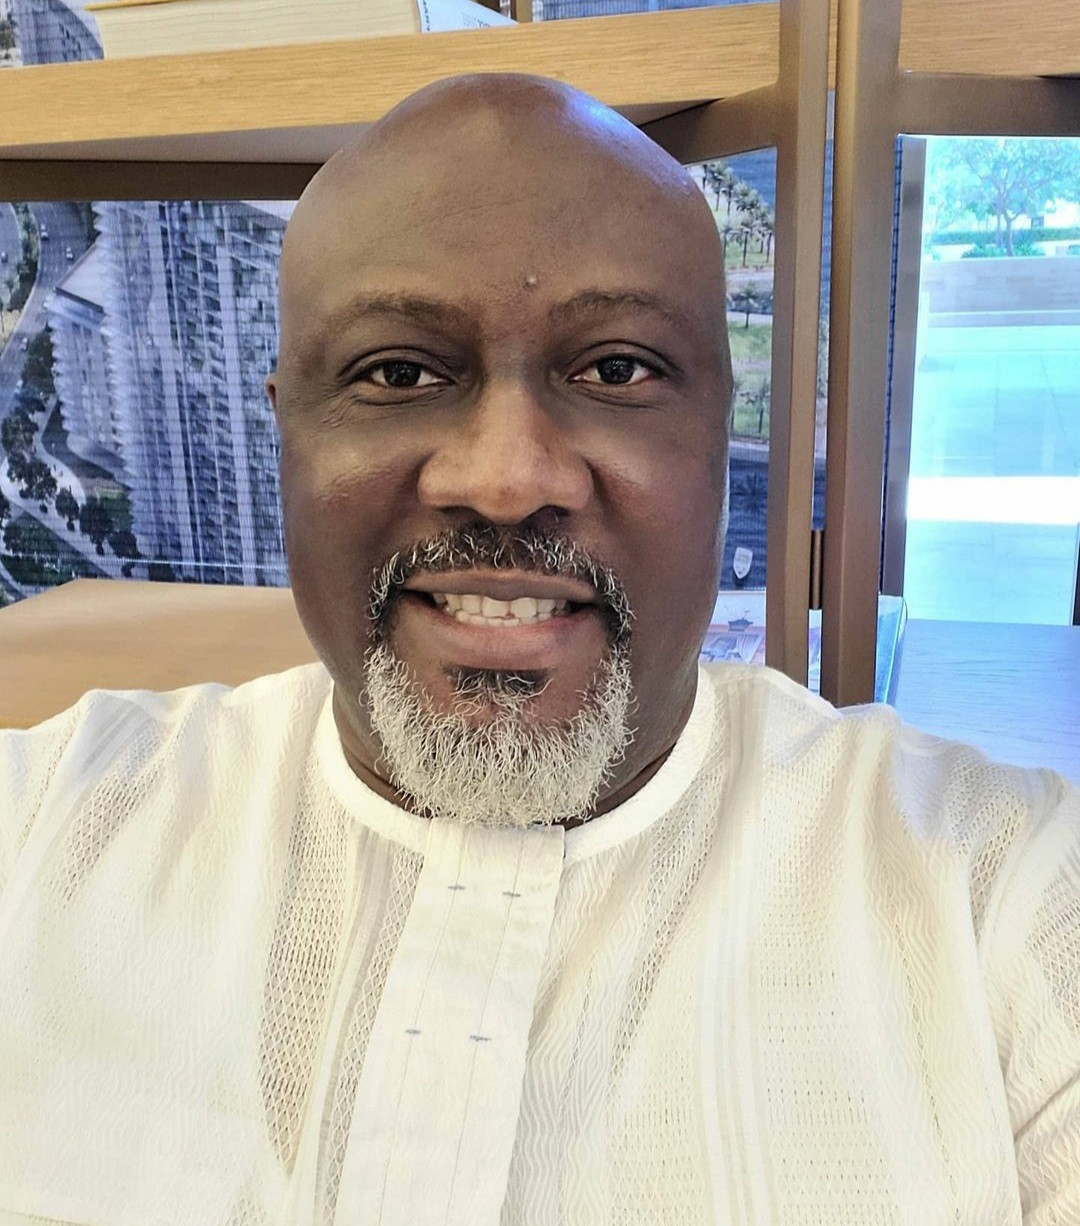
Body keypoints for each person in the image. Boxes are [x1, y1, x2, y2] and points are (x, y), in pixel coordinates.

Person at [0, 73, 1077, 1226]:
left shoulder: (998, 894)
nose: (507, 477)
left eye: (617, 368)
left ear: (721, 431)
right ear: (288, 431)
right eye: (398, 372)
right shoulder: (42, 822)